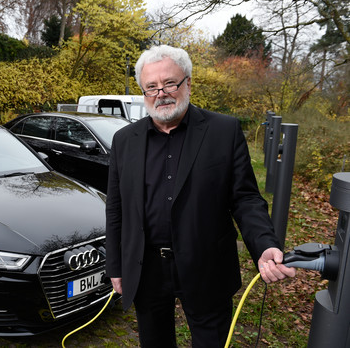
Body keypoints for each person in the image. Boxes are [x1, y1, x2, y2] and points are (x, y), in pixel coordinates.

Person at [105, 44, 296, 347]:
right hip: (146, 268)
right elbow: (116, 209)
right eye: (151, 87)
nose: (160, 93)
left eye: (169, 83)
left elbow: (245, 198)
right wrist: (115, 266)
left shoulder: (224, 130)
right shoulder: (124, 140)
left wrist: (264, 244)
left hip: (207, 265)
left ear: (188, 83)